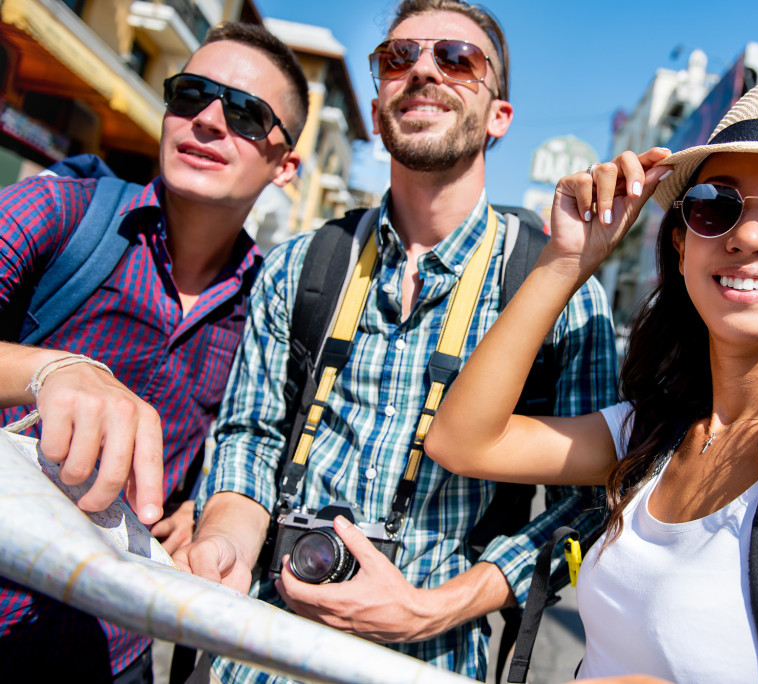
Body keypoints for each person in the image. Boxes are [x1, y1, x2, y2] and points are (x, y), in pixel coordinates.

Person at [426, 71, 758, 683]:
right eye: (716, 205)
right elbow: (462, 440)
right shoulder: (651, 432)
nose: (746, 236)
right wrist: (567, 259)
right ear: (682, 244)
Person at [171, 1, 618, 681]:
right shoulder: (300, 264)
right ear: (379, 107)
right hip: (258, 653)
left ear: (499, 116)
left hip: (435, 663)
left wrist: (436, 606)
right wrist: (226, 537)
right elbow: (250, 434)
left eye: (459, 59)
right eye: (397, 59)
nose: (424, 71)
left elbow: (590, 499)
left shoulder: (557, 287)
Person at [0, 22, 306, 683]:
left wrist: (202, 501)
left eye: (247, 113)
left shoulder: (271, 309)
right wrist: (48, 368)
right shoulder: (59, 210)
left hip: (113, 654)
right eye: (191, 94)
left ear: (286, 166)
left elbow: (249, 443)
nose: (207, 120)